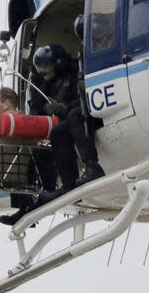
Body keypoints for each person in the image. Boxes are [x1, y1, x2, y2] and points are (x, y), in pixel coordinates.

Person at [33, 43, 105, 204]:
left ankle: (93, 166)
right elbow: (38, 103)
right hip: (71, 120)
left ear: (58, 63)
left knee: (74, 115)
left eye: (47, 68)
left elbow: (86, 98)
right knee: (57, 133)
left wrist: (64, 108)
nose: (45, 74)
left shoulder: (77, 73)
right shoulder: (50, 83)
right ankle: (69, 185)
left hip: (91, 114)